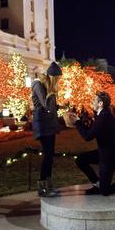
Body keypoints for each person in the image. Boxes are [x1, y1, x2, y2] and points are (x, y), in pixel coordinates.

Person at [32, 61, 62, 197]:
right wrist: (52, 92)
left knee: (50, 157)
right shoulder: (38, 84)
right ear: (52, 77)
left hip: (50, 125)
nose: (58, 82)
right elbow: (46, 104)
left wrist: (61, 107)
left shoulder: (48, 87)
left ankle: (48, 184)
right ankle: (42, 187)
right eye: (57, 79)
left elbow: (52, 107)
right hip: (43, 126)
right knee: (47, 156)